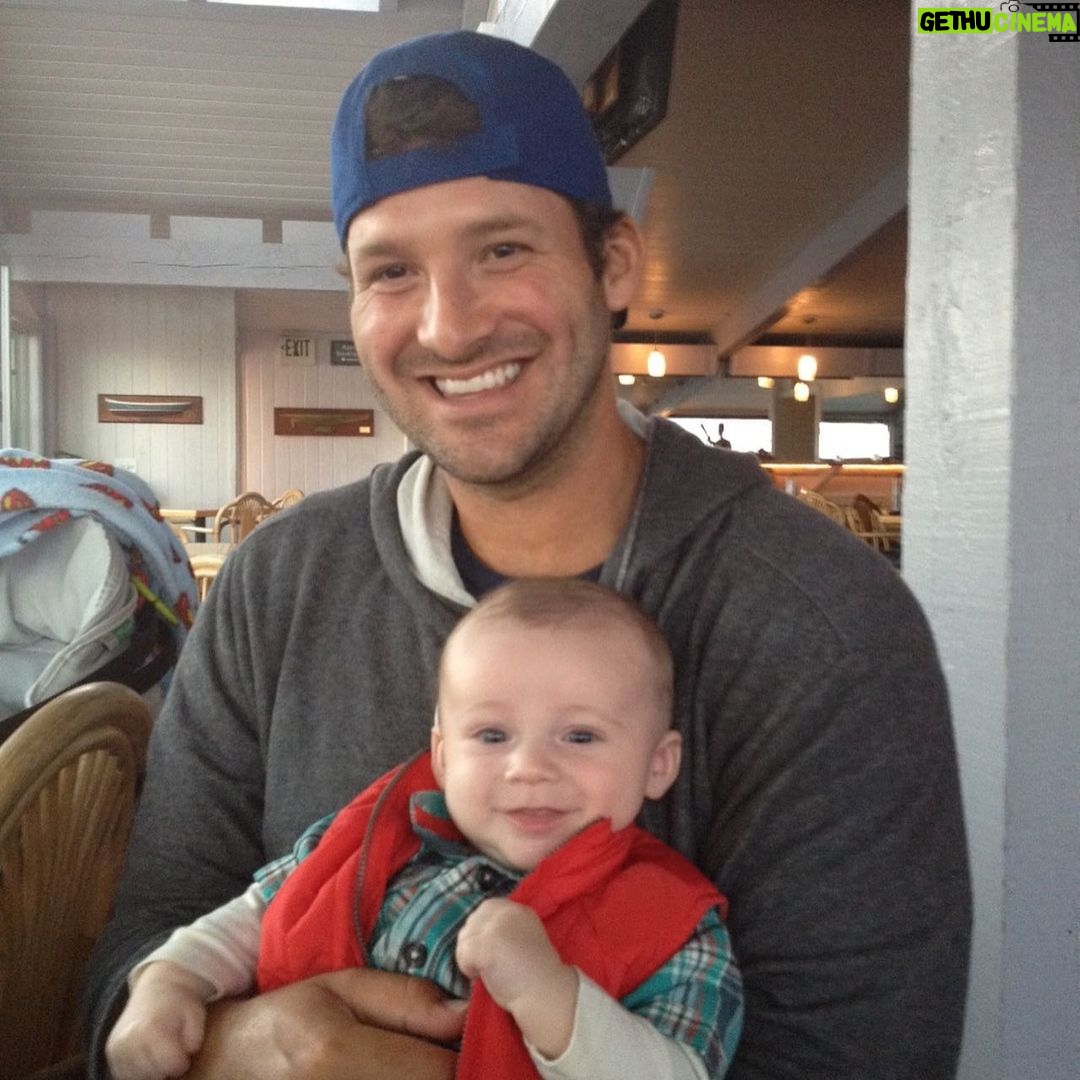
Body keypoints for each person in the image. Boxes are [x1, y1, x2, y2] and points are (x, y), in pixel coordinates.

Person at [85, 28, 971, 1080]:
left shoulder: (824, 626)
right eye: (392, 271)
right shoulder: (279, 585)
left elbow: (859, 1055)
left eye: (502, 250)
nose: (449, 327)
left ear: (615, 264)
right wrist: (252, 1047)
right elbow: (138, 951)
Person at [104, 579, 743, 1080]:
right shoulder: (372, 841)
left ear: (658, 764)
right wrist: (170, 980)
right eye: (492, 735)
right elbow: (253, 916)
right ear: (441, 756)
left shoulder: (675, 927)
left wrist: (549, 995)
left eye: (580, 736)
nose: (528, 768)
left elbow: (681, 1071)